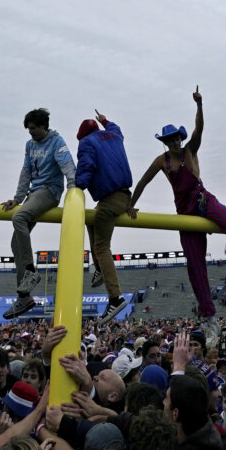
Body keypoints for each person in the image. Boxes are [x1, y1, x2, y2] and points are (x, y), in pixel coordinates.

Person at [129, 87, 226, 337]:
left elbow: (198, 130)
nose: (175, 142)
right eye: (171, 140)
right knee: (195, 266)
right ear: (166, 142)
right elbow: (143, 182)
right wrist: (130, 204)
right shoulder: (163, 161)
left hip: (202, 201)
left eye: (177, 139)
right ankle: (210, 317)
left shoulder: (190, 150)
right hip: (185, 213)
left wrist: (199, 106)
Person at [2, 109, 77, 319]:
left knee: (19, 218)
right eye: (28, 129)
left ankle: (30, 270)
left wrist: (73, 191)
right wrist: (17, 198)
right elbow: (26, 171)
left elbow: (68, 166)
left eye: (33, 128)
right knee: (15, 243)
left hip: (50, 190)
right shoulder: (30, 145)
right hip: (33, 192)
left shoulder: (56, 141)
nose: (30, 133)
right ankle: (24, 297)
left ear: (44, 126)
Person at [76, 109, 134, 325]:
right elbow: (116, 128)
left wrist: (77, 186)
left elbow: (87, 166)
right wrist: (105, 119)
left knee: (102, 247)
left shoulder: (86, 143)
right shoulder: (113, 134)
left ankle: (115, 297)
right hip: (123, 195)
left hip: (111, 199)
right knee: (91, 221)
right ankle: (99, 269)